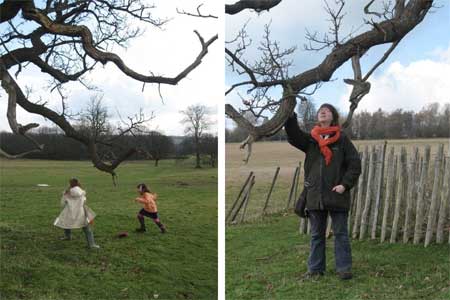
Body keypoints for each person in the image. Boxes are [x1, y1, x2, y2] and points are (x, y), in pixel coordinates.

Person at [285, 103, 361, 280]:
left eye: (326, 111)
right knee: (316, 235)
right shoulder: (311, 140)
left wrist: (344, 185)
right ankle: (315, 269)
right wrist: (289, 114)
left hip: (337, 194)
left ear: (332, 116)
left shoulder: (342, 139)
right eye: (320, 111)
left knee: (341, 234)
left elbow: (355, 163)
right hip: (315, 195)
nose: (322, 112)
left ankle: (344, 269)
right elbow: (294, 135)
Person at [54, 178, 100, 249]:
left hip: (69, 212)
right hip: (80, 212)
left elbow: (62, 203)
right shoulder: (82, 192)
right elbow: (84, 201)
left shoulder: (67, 193)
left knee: (66, 224)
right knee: (87, 228)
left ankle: (68, 236)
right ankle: (91, 244)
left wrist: (66, 193)